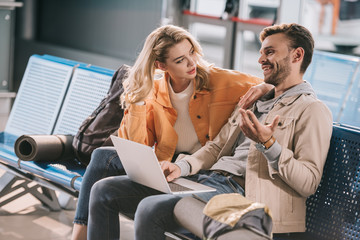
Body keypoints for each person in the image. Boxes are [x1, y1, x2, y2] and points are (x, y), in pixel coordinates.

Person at [86, 23, 333, 239]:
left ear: (297, 55)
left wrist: (269, 145)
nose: (260, 60)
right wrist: (180, 167)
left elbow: (308, 182)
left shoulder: (312, 109)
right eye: (261, 53)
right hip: (207, 180)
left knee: (151, 208)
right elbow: (216, 147)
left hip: (242, 193)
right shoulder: (253, 101)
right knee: (104, 190)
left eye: (270, 52)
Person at [71, 25, 270, 240]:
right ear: (161, 65)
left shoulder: (222, 81)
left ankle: (78, 236)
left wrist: (265, 87)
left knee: (104, 171)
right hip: (168, 168)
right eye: (179, 60)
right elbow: (136, 145)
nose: (191, 62)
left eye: (191, 52)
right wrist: (137, 101)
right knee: (102, 157)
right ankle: (80, 235)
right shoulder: (154, 90)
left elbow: (282, 84)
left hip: (204, 169)